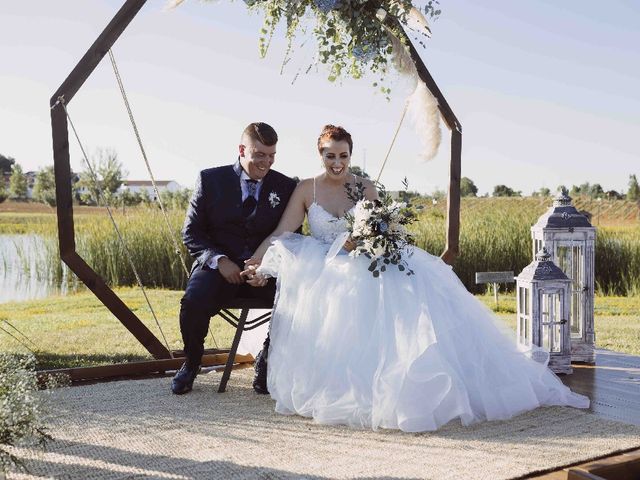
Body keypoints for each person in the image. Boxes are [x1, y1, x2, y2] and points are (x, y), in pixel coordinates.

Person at [241, 124, 589, 432]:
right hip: (324, 264)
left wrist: (363, 238)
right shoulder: (306, 189)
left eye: (343, 155)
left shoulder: (365, 187)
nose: (337, 163)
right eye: (330, 156)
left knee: (402, 289)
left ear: (351, 154)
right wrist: (256, 260)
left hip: (365, 260)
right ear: (320, 154)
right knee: (328, 292)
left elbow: (378, 231)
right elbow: (281, 232)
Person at [171, 122, 297, 395]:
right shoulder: (210, 179)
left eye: (272, 155)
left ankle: (266, 360)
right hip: (218, 268)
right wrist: (219, 259)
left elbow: (291, 236)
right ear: (242, 149)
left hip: (265, 270)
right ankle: (191, 363)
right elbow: (191, 232)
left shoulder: (287, 186)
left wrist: (266, 268)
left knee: (297, 298)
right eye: (260, 154)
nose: (266, 162)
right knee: (193, 302)